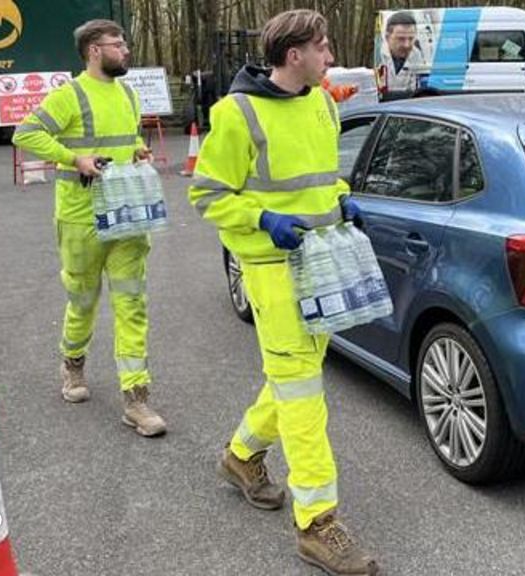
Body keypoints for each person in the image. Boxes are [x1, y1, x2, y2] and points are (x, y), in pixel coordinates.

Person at [188, 9, 378, 576]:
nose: (329, 56)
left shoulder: (321, 102)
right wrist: (262, 216)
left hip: (322, 261)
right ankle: (317, 523)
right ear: (294, 55)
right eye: (322, 47)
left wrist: (343, 196)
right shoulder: (236, 113)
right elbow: (207, 194)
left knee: (296, 378)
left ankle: (242, 456)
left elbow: (320, 174)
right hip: (273, 269)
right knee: (302, 393)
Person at [12, 19, 166, 437]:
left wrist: (137, 152)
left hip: (127, 215)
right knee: (82, 301)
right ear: (94, 50)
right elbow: (25, 134)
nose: (127, 50)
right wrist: (73, 158)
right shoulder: (70, 96)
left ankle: (136, 399)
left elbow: (127, 138)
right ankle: (73, 365)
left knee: (132, 304)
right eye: (118, 44)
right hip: (81, 217)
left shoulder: (129, 95)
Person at [378, 11, 427, 95]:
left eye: (411, 39)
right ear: (387, 37)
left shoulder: (417, 55)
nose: (407, 45)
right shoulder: (377, 55)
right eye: (401, 39)